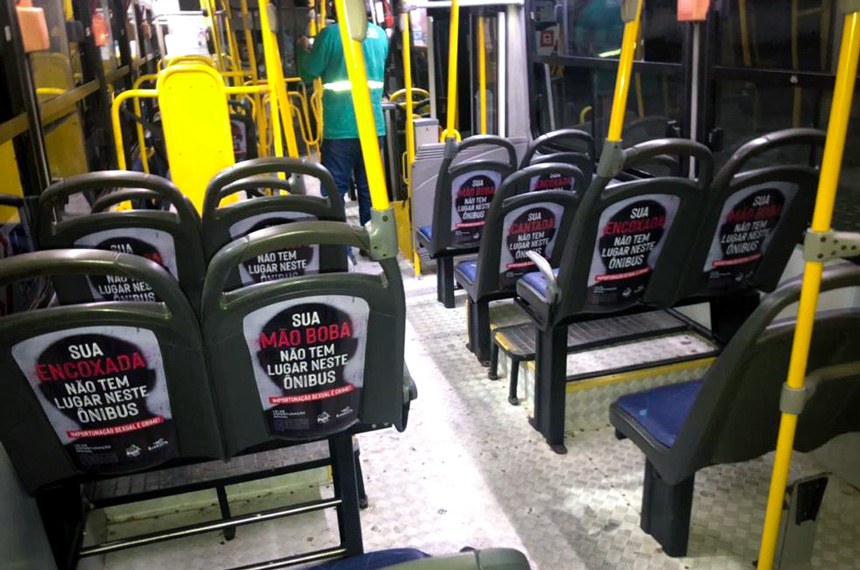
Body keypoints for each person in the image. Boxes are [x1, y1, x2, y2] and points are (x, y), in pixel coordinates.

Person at [298, 8, 389, 228]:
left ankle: (338, 241)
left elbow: (309, 72)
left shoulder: (330, 35)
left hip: (340, 127)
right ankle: (373, 238)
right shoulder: (380, 34)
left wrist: (303, 50)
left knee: (334, 189)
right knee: (370, 188)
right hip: (373, 125)